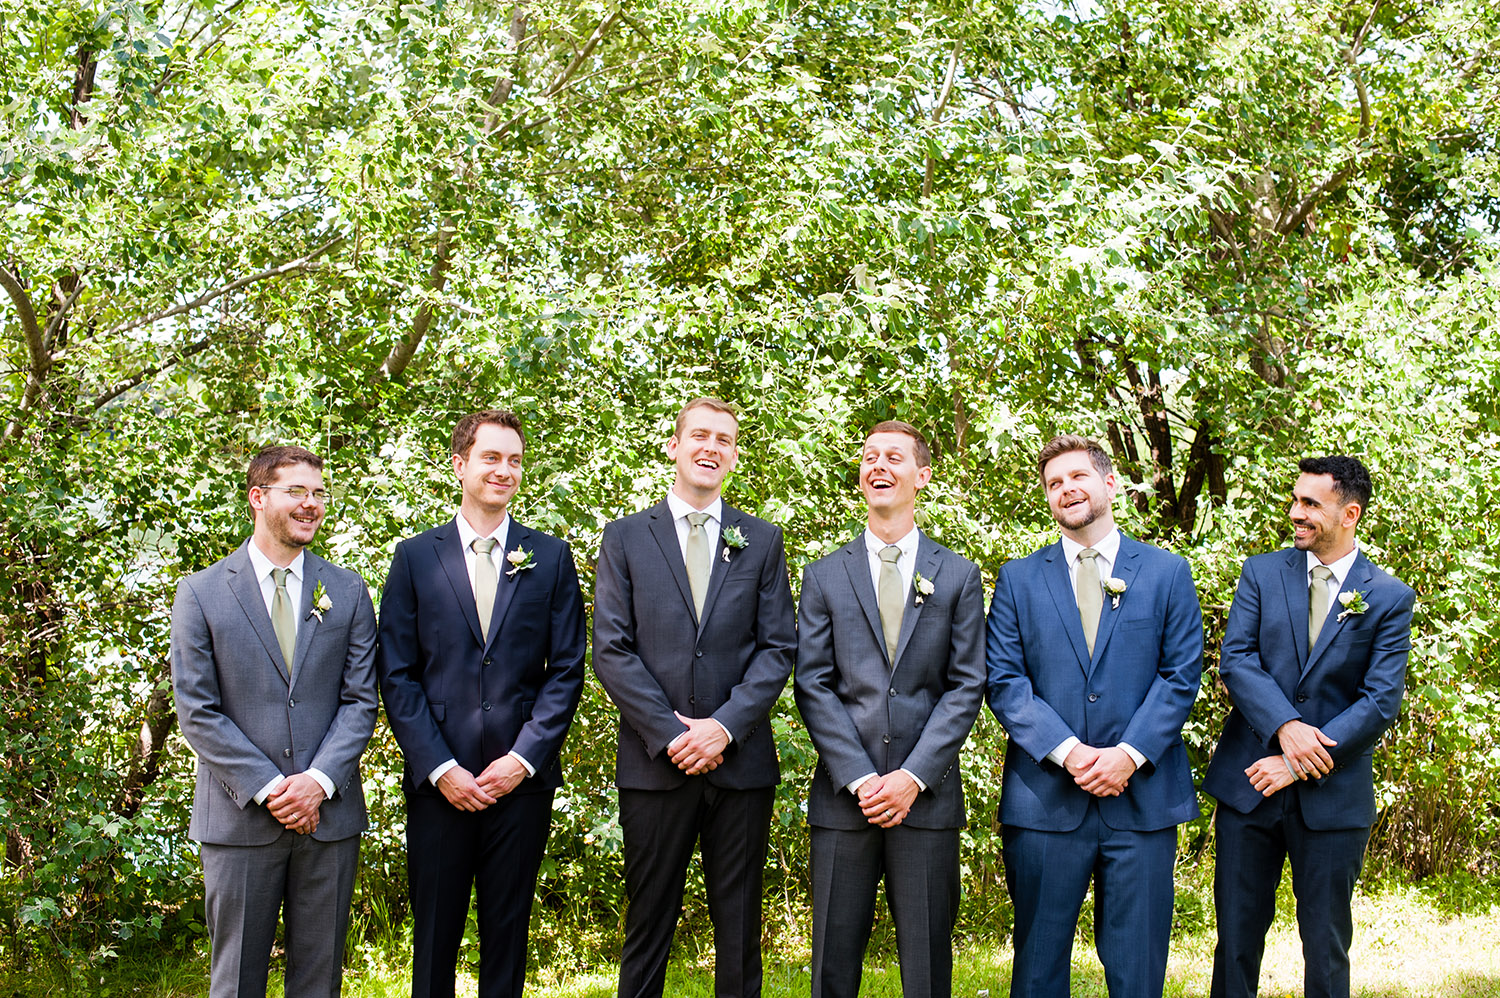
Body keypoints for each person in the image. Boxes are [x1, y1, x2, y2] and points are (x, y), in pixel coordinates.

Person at [376, 410, 586, 998]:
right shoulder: (415, 558)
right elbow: (396, 673)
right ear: (460, 463)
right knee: (433, 939)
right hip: (440, 783)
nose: (504, 470)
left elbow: (567, 669)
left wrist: (523, 760)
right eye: (491, 457)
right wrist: (439, 768)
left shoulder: (551, 555)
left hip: (520, 781)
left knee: (508, 935)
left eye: (514, 460)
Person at [592, 397, 797, 998]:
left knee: (739, 929)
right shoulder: (626, 537)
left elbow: (777, 647)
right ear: (674, 446)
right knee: (649, 921)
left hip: (741, 766)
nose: (712, 448)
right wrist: (675, 733)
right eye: (700, 436)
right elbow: (611, 648)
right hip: (657, 764)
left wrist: (723, 727)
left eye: (725, 440)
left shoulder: (761, 540)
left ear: (733, 456)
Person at [985, 435, 1203, 998]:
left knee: (1137, 967)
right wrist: (1073, 752)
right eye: (1054, 483)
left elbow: (1180, 676)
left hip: (1142, 799)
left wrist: (1127, 756)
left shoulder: (1166, 572)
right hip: (1046, 801)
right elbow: (1006, 683)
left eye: (1077, 476)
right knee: (1038, 966)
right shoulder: (1017, 580)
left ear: (1109, 484)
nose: (1066, 490)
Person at [1204, 456, 1415, 998]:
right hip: (1249, 783)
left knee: (1325, 946)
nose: (1295, 512)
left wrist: (1296, 760)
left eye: (1309, 504)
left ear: (1350, 513)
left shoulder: (1389, 597)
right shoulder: (1261, 572)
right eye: (1295, 500)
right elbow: (1239, 661)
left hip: (1333, 796)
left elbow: (1379, 700)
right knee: (1235, 940)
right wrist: (1287, 727)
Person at [172, 445, 378, 998]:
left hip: (328, 818)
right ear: (258, 498)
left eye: (318, 493)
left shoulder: (349, 590)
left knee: (319, 980)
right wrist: (270, 789)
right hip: (239, 822)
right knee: (237, 981)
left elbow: (361, 701)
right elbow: (196, 709)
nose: (311, 504)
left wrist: (316, 783)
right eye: (297, 491)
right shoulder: (201, 593)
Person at [794, 420, 985, 998]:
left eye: (894, 457)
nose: (878, 465)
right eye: (870, 456)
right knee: (832, 963)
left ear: (921, 476)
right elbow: (814, 683)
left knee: (926, 967)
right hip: (842, 800)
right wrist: (858, 778)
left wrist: (911, 777)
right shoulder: (825, 574)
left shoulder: (957, 575)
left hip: (925, 801)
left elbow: (965, 684)